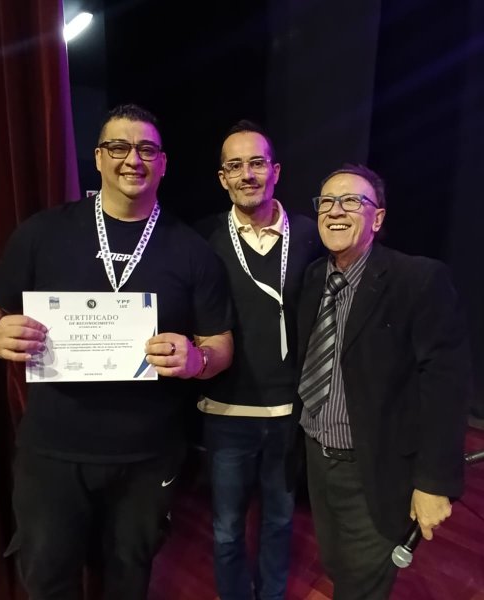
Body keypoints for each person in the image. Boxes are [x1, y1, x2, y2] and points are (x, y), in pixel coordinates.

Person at [0, 104, 234, 600]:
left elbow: (221, 344)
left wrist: (197, 360)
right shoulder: (44, 232)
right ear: (97, 157)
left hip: (147, 455)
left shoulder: (193, 250)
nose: (133, 159)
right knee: (48, 581)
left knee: (129, 580)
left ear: (163, 163)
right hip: (51, 452)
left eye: (146, 149)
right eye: (119, 147)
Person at [295, 164, 472, 598]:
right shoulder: (314, 277)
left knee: (363, 582)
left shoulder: (418, 280)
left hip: (375, 467)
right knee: (338, 565)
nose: (336, 210)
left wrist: (434, 482)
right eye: (327, 202)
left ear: (377, 218)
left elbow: (446, 389)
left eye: (351, 201)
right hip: (317, 457)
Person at [194, 120, 323, 600]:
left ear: (275, 171)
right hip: (226, 410)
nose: (247, 174)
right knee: (227, 527)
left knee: (280, 520)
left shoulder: (310, 235)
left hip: (290, 410)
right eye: (235, 166)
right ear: (222, 178)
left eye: (256, 163)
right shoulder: (204, 238)